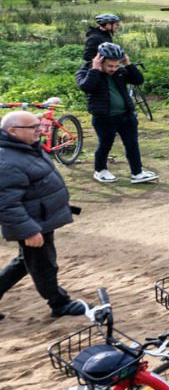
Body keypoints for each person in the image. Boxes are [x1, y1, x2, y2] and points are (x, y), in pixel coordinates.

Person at [0, 111, 87, 319]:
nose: (40, 131)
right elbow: (6, 204)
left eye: (39, 126)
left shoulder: (26, 147)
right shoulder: (7, 162)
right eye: (33, 128)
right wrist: (29, 231)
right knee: (44, 266)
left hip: (40, 219)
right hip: (33, 224)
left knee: (25, 261)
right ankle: (59, 303)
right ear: (12, 131)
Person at [75, 43, 157, 185]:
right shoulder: (86, 71)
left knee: (132, 144)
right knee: (105, 144)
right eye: (110, 66)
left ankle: (137, 173)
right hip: (104, 117)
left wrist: (128, 64)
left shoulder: (120, 71)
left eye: (116, 65)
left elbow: (138, 80)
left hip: (126, 115)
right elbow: (86, 87)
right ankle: (100, 170)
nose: (113, 69)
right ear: (100, 61)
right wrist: (95, 69)